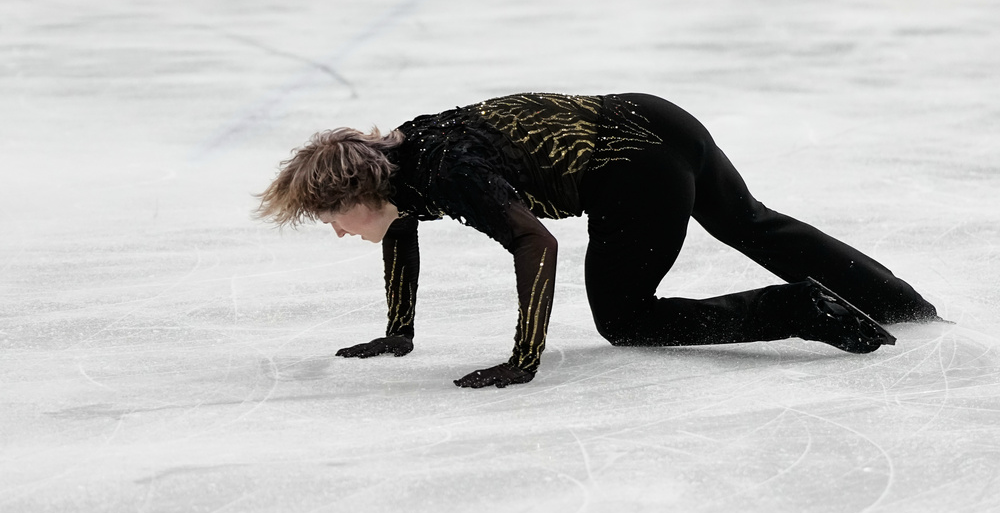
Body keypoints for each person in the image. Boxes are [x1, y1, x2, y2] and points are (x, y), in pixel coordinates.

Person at [255, 92, 940, 389]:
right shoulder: (407, 161)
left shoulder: (449, 171)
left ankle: (799, 310)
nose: (339, 232)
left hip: (629, 169)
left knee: (626, 319)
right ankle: (901, 304)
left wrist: (525, 357)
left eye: (331, 217)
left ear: (357, 192)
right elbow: (398, 228)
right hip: (660, 119)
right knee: (750, 222)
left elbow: (536, 244)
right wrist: (399, 330)